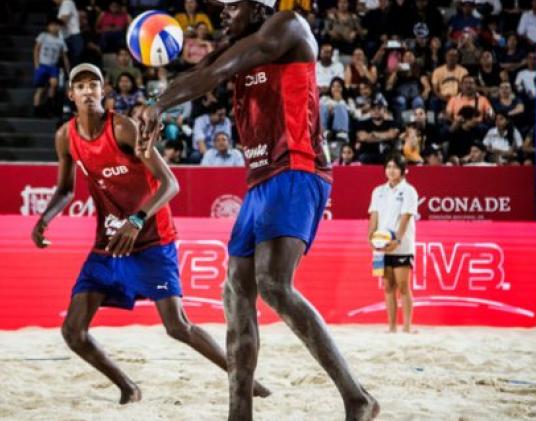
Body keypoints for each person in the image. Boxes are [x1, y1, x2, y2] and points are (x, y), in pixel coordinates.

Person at [135, 3, 379, 420]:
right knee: (236, 288)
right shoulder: (238, 44)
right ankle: (239, 411)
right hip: (262, 178)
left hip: (298, 167)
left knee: (272, 283)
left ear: (260, 5)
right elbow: (199, 73)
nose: (223, 13)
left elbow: (210, 75)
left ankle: (357, 398)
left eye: (232, 5)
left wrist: (160, 105)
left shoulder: (286, 26)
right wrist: (154, 102)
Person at [31, 63, 270, 406]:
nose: (87, 91)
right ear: (70, 95)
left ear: (103, 92)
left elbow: (170, 183)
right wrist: (45, 218)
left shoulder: (123, 128)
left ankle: (246, 381)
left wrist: (138, 219)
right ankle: (128, 387)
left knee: (177, 326)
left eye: (93, 85)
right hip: (110, 243)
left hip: (151, 238)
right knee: (73, 331)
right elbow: (65, 190)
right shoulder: (65, 136)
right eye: (79, 86)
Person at [368, 154, 418, 333]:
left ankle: (407, 328)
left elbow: (406, 217)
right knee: (388, 286)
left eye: (395, 167)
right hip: (381, 246)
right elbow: (374, 215)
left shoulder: (409, 191)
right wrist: (370, 238)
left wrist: (396, 240)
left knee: (403, 286)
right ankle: (391, 327)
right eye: (388, 167)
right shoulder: (378, 191)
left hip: (402, 245)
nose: (391, 170)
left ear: (404, 171)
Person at [33, 18, 69, 116]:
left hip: (53, 66)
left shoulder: (60, 41)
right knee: (40, 89)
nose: (54, 27)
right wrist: (37, 65)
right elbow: (36, 49)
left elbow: (64, 56)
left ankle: (49, 104)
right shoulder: (43, 36)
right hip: (42, 65)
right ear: (48, 27)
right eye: (52, 25)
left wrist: (68, 69)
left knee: (54, 84)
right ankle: (36, 109)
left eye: (57, 25)